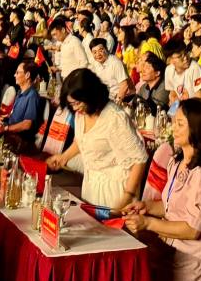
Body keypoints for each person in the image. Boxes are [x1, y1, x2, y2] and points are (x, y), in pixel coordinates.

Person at [122, 99, 201, 281]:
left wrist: (148, 223)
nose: (173, 129)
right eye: (173, 122)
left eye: (179, 124)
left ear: (196, 128)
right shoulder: (177, 162)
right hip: (170, 249)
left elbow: (192, 229)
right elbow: (171, 207)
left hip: (193, 260)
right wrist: (146, 207)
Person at [46, 69, 147, 209]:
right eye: (71, 104)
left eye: (77, 103)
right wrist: (63, 157)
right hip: (92, 184)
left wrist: (127, 197)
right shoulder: (81, 113)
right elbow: (81, 140)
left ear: (90, 95)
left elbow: (139, 160)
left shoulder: (114, 118)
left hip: (115, 190)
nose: (75, 108)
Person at [0, 60, 45, 146]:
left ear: (27, 75)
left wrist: (3, 129)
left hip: (18, 140)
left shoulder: (32, 96)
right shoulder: (20, 93)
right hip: (9, 133)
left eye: (17, 73)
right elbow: (18, 117)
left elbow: (27, 124)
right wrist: (5, 118)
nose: (14, 75)